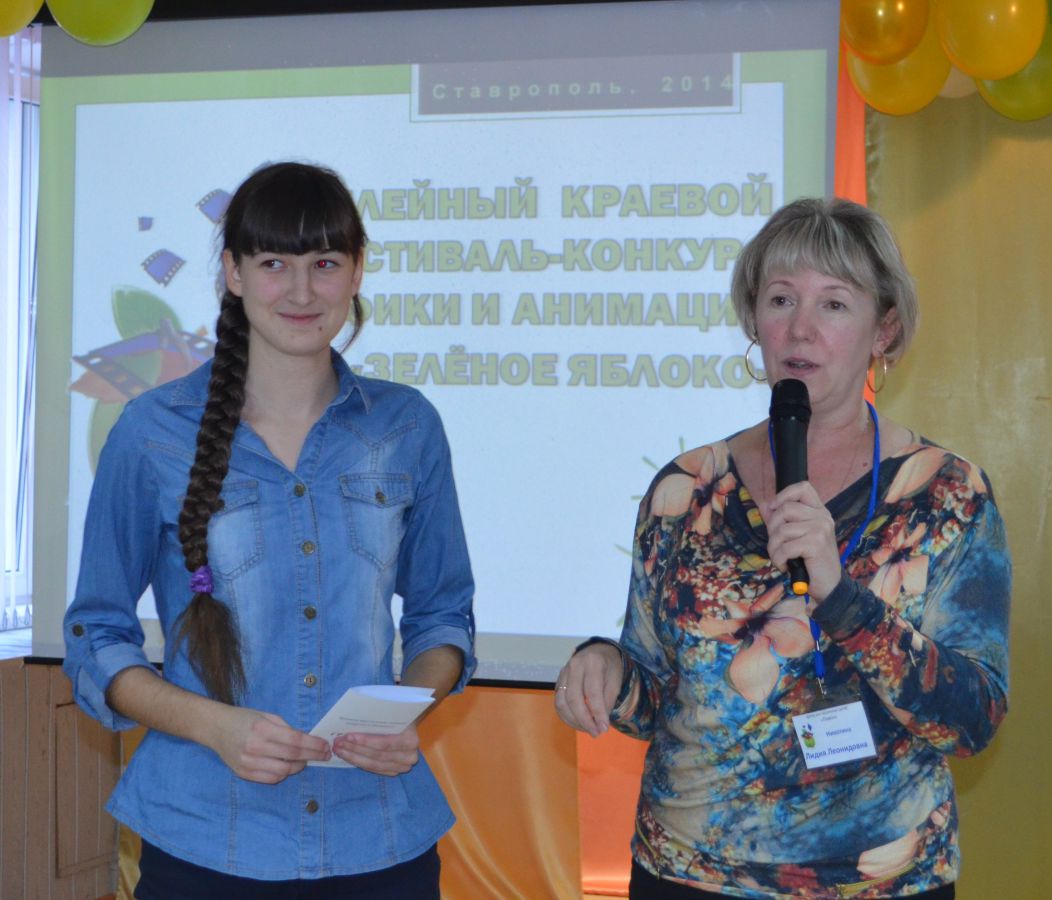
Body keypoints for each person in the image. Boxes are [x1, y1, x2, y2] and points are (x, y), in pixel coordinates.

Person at [555, 198, 1010, 899]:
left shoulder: (947, 495)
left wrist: (842, 597)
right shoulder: (685, 490)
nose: (800, 328)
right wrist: (604, 669)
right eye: (780, 300)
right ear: (753, 321)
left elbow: (972, 720)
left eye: (834, 304)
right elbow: (654, 698)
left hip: (880, 881)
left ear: (884, 329)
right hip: (687, 873)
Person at [63, 161, 475, 898]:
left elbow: (443, 615)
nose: (302, 291)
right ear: (233, 272)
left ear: (356, 272)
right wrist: (213, 726)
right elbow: (96, 635)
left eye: (325, 263)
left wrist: (406, 707)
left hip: (377, 836)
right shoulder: (151, 432)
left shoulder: (407, 425)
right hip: (204, 837)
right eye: (274, 263)